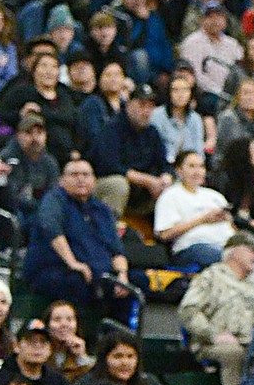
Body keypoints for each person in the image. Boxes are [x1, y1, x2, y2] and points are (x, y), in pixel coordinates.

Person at [23, 156, 137, 337]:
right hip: (56, 270)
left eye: (86, 174)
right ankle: (80, 340)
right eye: (74, 174)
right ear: (62, 180)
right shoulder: (54, 201)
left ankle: (115, 345)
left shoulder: (101, 210)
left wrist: (122, 276)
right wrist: (73, 262)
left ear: (94, 180)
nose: (81, 179)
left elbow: (116, 250)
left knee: (131, 288)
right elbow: (50, 229)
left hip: (98, 274)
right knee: (76, 282)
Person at [179, 233, 254, 385]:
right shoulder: (211, 277)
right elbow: (189, 311)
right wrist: (213, 335)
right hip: (212, 343)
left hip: (250, 343)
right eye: (251, 250)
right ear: (234, 251)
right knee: (233, 353)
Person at [91, 84, 172, 221]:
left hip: (141, 191)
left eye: (150, 106)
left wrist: (166, 177)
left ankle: (166, 236)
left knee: (174, 185)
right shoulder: (112, 128)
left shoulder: (152, 132)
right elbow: (110, 166)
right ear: (129, 105)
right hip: (105, 184)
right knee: (119, 184)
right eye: (142, 105)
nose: (146, 111)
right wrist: (147, 181)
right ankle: (109, 230)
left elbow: (163, 163)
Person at [154, 151, 235, 272]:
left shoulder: (215, 195)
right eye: (192, 166)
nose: (197, 172)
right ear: (179, 170)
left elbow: (232, 227)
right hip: (192, 248)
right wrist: (203, 220)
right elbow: (165, 235)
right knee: (228, 259)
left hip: (227, 243)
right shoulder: (170, 195)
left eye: (201, 166)